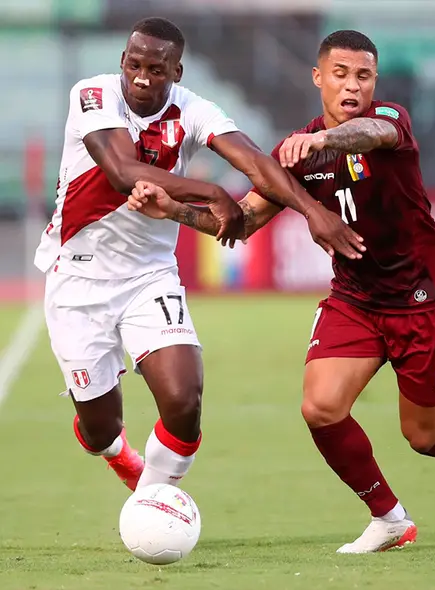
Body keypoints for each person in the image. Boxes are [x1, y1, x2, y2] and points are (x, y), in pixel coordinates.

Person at [127, 30, 435, 554]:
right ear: (318, 77)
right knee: (320, 407)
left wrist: (324, 139)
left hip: (422, 298)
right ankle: (390, 518)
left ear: (375, 82)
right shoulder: (292, 152)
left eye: (363, 76)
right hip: (355, 299)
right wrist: (175, 212)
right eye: (341, 74)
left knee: (424, 436)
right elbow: (242, 223)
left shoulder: (391, 121)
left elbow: (367, 133)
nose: (352, 86)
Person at [37, 17, 356, 493]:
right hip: (79, 279)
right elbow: (124, 171)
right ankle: (115, 451)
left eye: (157, 69)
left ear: (178, 72)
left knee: (184, 401)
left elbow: (256, 163)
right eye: (134, 65)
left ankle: (153, 500)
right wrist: (213, 191)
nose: (142, 78)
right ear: (121, 62)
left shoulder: (194, 110)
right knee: (102, 429)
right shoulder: (94, 95)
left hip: (149, 276)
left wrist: (312, 211)